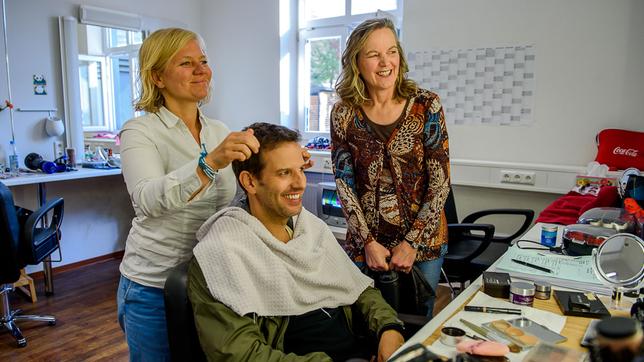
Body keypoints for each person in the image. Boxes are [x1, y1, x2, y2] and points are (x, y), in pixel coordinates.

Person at [188, 122, 405, 361]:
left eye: (300, 170)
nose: (300, 183)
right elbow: (240, 354)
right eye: (284, 173)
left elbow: (357, 287)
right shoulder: (222, 253)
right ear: (250, 182)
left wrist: (388, 328)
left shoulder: (309, 227)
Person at [116, 28, 261, 361]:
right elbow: (148, 201)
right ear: (158, 77)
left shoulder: (219, 131)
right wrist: (208, 163)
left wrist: (285, 167)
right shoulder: (140, 132)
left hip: (211, 282)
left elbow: (240, 196)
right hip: (152, 286)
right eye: (187, 63)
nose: (202, 71)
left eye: (204, 61)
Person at [330, 18, 451, 318]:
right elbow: (344, 184)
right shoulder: (343, 113)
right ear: (356, 62)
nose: (386, 62)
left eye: (392, 51)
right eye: (373, 54)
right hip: (366, 245)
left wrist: (411, 244)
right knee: (367, 321)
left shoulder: (426, 105)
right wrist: (368, 242)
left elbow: (440, 182)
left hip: (423, 244)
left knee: (415, 321)